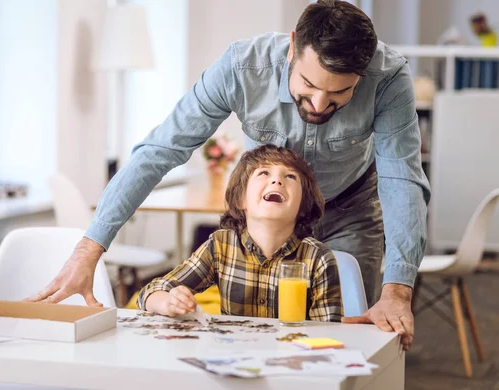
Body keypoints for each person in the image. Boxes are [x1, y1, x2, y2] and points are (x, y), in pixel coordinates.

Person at [28, 0, 430, 350]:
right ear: (292, 47)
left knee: (351, 336)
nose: (319, 104)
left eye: (339, 94)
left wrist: (397, 291)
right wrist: (88, 251)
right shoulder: (241, 68)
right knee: (259, 331)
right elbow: (160, 151)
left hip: (350, 208)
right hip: (267, 226)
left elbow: (402, 180)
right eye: (307, 85)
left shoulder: (388, 78)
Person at [138, 145, 342, 322]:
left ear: (303, 206)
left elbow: (327, 335)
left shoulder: (318, 259)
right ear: (240, 200)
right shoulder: (220, 245)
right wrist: (168, 302)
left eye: (290, 176)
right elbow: (151, 292)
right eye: (264, 173)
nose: (277, 181)